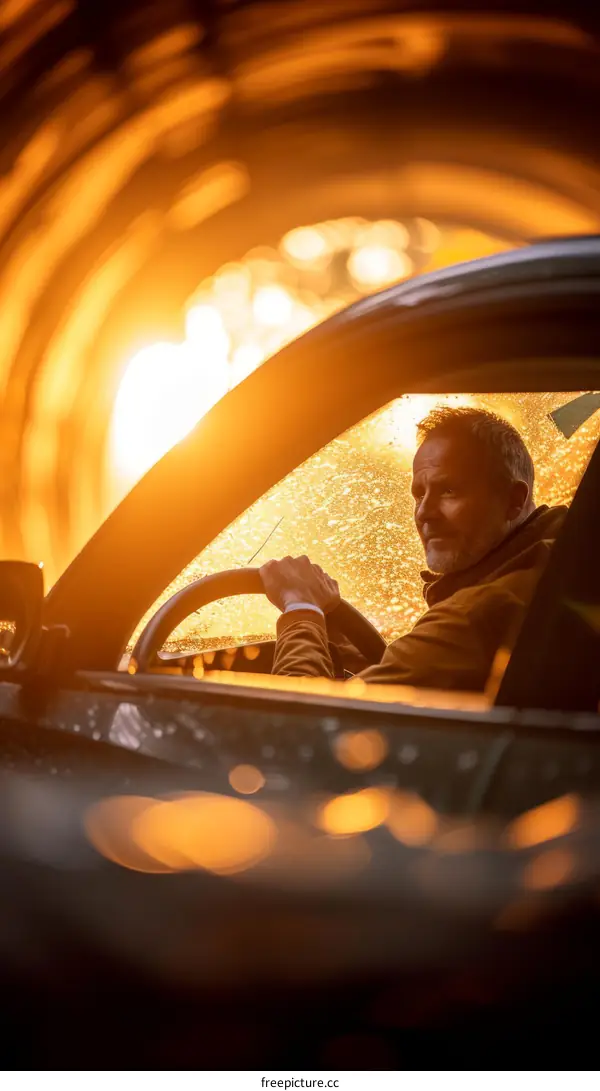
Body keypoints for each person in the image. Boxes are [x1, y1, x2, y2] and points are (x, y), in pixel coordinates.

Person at [260, 407, 566, 693]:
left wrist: (302, 609)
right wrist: (370, 664)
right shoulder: (556, 568)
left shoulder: (477, 615)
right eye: (419, 494)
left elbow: (301, 728)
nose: (424, 513)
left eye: (448, 490)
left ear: (513, 500)